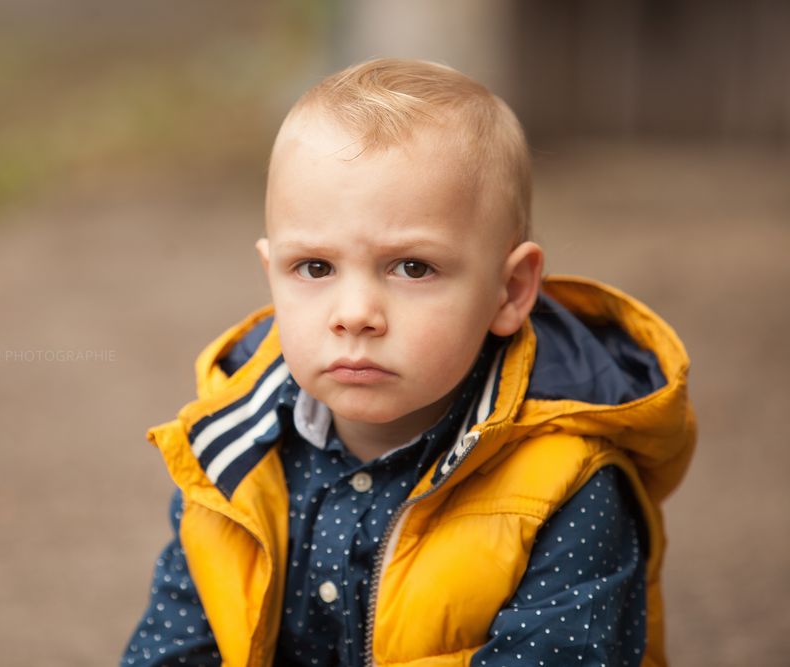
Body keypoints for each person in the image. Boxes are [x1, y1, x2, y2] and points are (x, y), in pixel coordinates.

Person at [121, 58, 695, 666]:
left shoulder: (568, 488)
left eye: (413, 267)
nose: (356, 313)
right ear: (272, 278)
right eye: (314, 267)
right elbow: (176, 648)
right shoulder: (229, 455)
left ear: (510, 291)